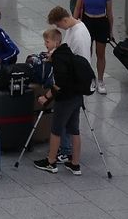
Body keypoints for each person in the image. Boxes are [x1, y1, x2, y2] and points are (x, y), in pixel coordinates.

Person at [32, 25, 91, 175]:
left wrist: (46, 97)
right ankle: (75, 164)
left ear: (56, 42)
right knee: (74, 130)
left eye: (47, 41)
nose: (45, 44)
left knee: (56, 130)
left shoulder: (58, 58)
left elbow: (59, 84)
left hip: (65, 99)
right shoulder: (67, 51)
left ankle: (51, 162)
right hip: (77, 96)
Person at [74, 0, 113, 80]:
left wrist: (110, 31)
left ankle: (100, 79)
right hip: (87, 22)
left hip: (101, 23)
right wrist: (74, 25)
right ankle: (89, 78)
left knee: (100, 54)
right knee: (87, 52)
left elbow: (109, 13)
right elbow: (77, 8)